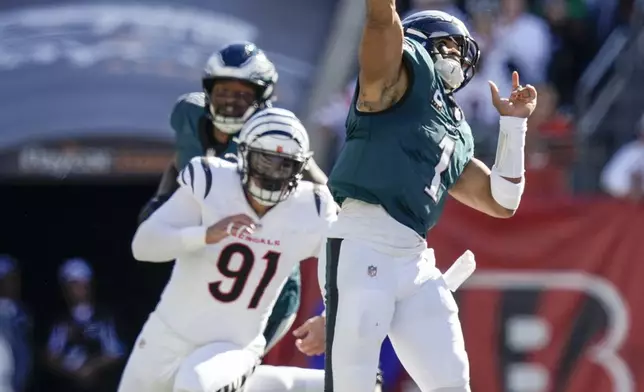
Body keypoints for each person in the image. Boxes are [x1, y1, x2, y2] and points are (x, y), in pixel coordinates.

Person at [321, 7, 537, 392]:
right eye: (448, 45)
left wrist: (514, 124)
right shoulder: (400, 78)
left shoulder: (452, 123)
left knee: (451, 382)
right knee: (352, 384)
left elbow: (503, 201)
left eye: (461, 48)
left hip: (415, 259)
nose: (456, 56)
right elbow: (379, 24)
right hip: (364, 243)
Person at [120, 108, 336, 392]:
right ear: (244, 154)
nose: (273, 173)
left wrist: (330, 317)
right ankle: (327, 386)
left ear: (300, 168)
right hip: (165, 334)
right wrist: (205, 234)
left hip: (233, 346)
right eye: (266, 160)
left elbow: (347, 266)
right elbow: (143, 246)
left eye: (285, 165)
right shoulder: (212, 181)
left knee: (195, 383)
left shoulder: (313, 207)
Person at [137, 42, 327, 359]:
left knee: (234, 367)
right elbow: (181, 160)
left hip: (262, 279)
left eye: (243, 94)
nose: (230, 102)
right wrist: (163, 197)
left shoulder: (274, 137)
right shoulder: (189, 114)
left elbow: (324, 190)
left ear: (263, 98)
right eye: (223, 91)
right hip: (204, 266)